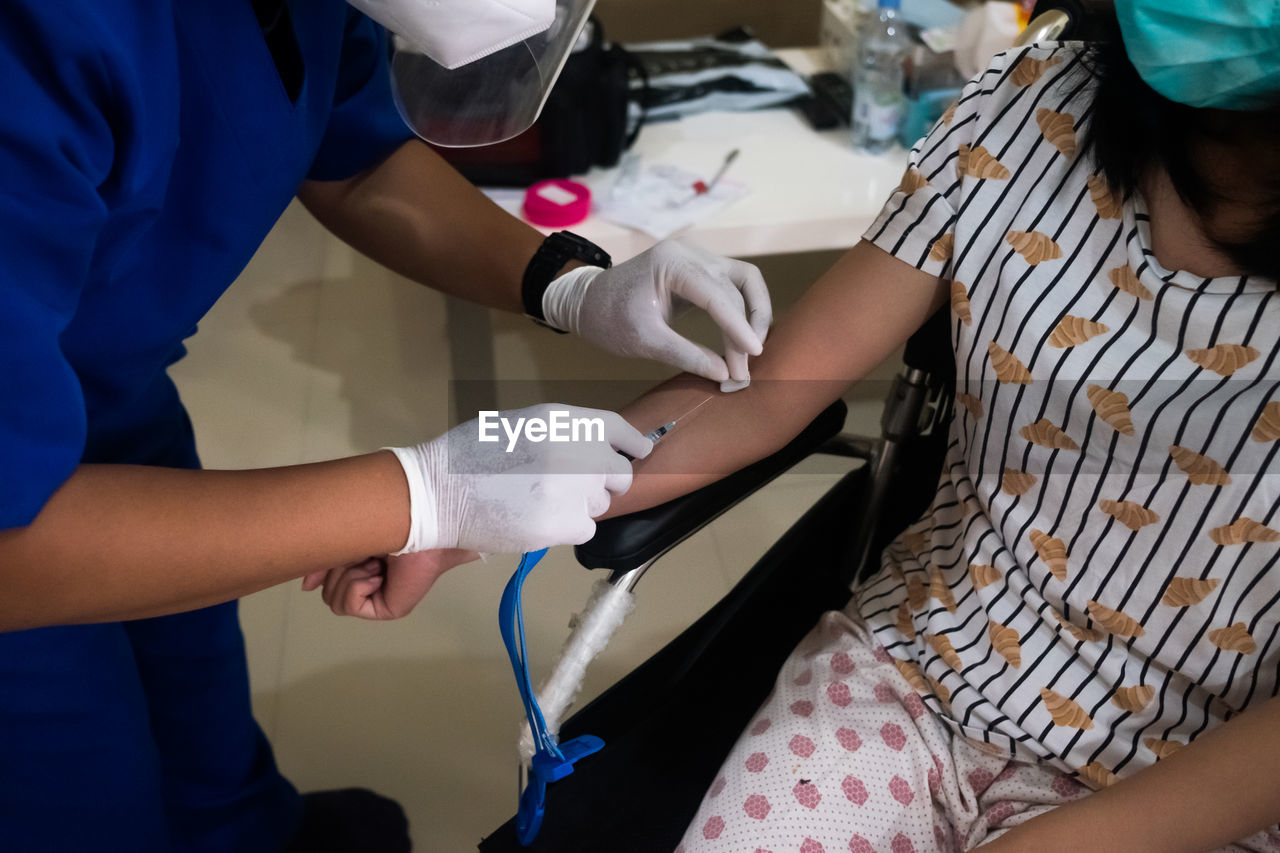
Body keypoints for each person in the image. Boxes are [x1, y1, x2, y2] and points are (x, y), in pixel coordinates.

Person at [0, 1, 771, 851]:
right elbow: (15, 548)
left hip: (110, 394)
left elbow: (357, 158)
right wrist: (422, 498)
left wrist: (569, 284)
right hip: (23, 513)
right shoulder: (47, 36)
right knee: (89, 800)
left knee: (202, 728)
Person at [600, 2, 1280, 850]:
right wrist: (475, 491)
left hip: (1190, 785)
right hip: (919, 677)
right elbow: (769, 390)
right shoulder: (1031, 104)